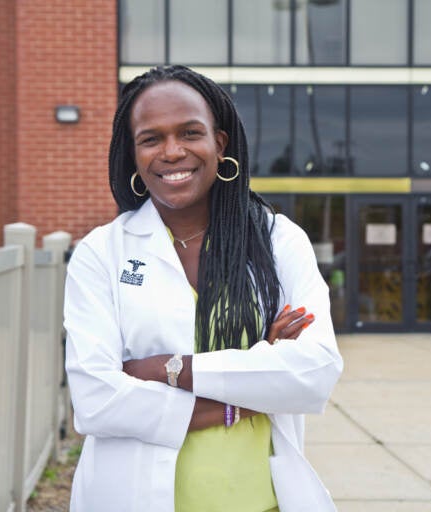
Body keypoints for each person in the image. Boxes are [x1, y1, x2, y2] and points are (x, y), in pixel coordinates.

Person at [63, 65, 343, 512]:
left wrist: (166, 369)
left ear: (220, 143)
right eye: (151, 139)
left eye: (190, 133)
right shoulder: (103, 252)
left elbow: (314, 373)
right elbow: (96, 401)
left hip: (264, 500)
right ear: (133, 154)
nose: (172, 152)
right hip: (131, 498)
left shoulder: (278, 240)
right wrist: (247, 395)